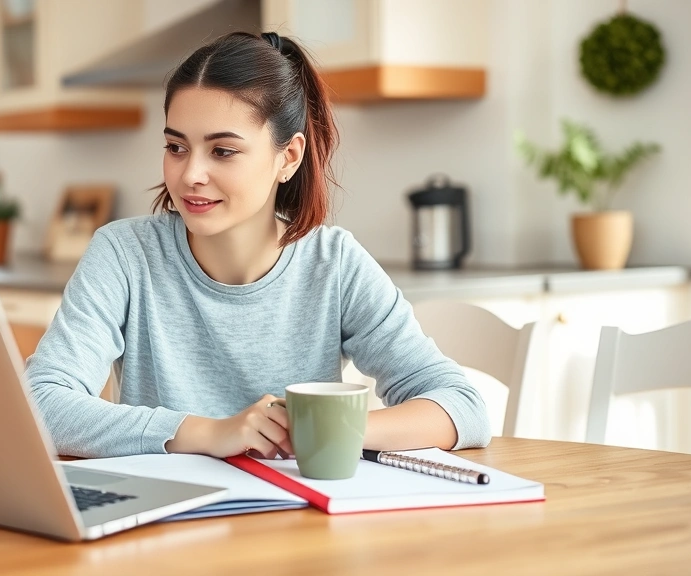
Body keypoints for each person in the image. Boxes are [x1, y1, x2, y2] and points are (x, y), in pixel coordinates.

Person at [25, 32, 491, 459]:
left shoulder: (334, 264)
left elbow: (462, 407)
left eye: (222, 151)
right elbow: (40, 402)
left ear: (288, 156)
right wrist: (207, 433)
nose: (190, 175)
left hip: (300, 531)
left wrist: (324, 429)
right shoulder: (124, 255)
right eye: (176, 147)